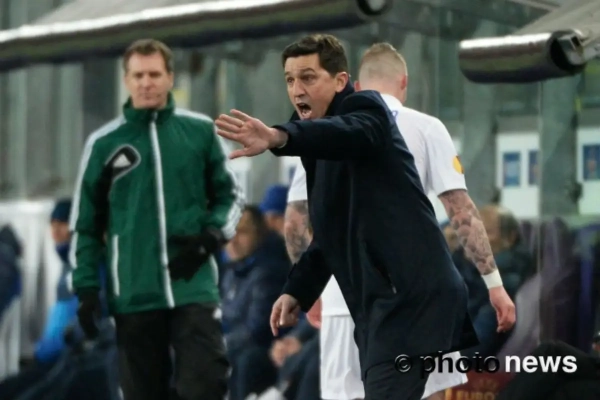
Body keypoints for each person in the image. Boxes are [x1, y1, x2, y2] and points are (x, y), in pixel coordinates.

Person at [215, 33, 515, 399]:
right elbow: (328, 231)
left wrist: (279, 137)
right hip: (372, 306)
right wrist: (298, 289)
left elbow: (353, 133)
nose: (297, 89)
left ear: (341, 81)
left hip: (413, 299)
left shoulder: (367, 109)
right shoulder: (312, 143)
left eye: (308, 77)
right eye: (290, 80)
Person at [69, 38, 244, 400]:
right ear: (126, 80)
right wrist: (86, 289)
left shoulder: (200, 132)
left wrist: (211, 236)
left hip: (193, 284)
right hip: (134, 292)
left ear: (170, 77)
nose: (146, 83)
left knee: (206, 383)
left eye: (154, 74)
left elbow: (231, 194)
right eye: (138, 76)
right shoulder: (104, 144)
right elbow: (86, 224)